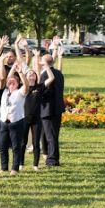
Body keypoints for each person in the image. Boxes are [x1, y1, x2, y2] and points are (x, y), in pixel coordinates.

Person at [21, 51, 55, 171]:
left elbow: (51, 78)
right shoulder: (22, 88)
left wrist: (45, 66)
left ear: (36, 77)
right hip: (24, 118)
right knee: (23, 143)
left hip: (36, 119)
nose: (32, 76)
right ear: (26, 77)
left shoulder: (39, 87)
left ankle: (35, 165)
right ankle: (20, 164)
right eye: (29, 74)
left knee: (36, 144)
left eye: (33, 74)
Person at [0, 58, 29, 175]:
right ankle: (4, 167)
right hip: (3, 123)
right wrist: (13, 67)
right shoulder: (5, 91)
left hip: (16, 122)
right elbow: (7, 79)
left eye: (14, 82)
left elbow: (26, 85)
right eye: (10, 82)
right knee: (2, 145)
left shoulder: (20, 92)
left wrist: (20, 72)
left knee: (16, 146)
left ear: (17, 84)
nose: (11, 83)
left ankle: (14, 168)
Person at [39, 36, 65, 167]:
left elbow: (42, 91)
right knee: (54, 135)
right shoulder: (59, 74)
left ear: (44, 64)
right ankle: (55, 158)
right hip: (58, 108)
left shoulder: (45, 76)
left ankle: (52, 160)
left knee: (50, 136)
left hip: (48, 109)